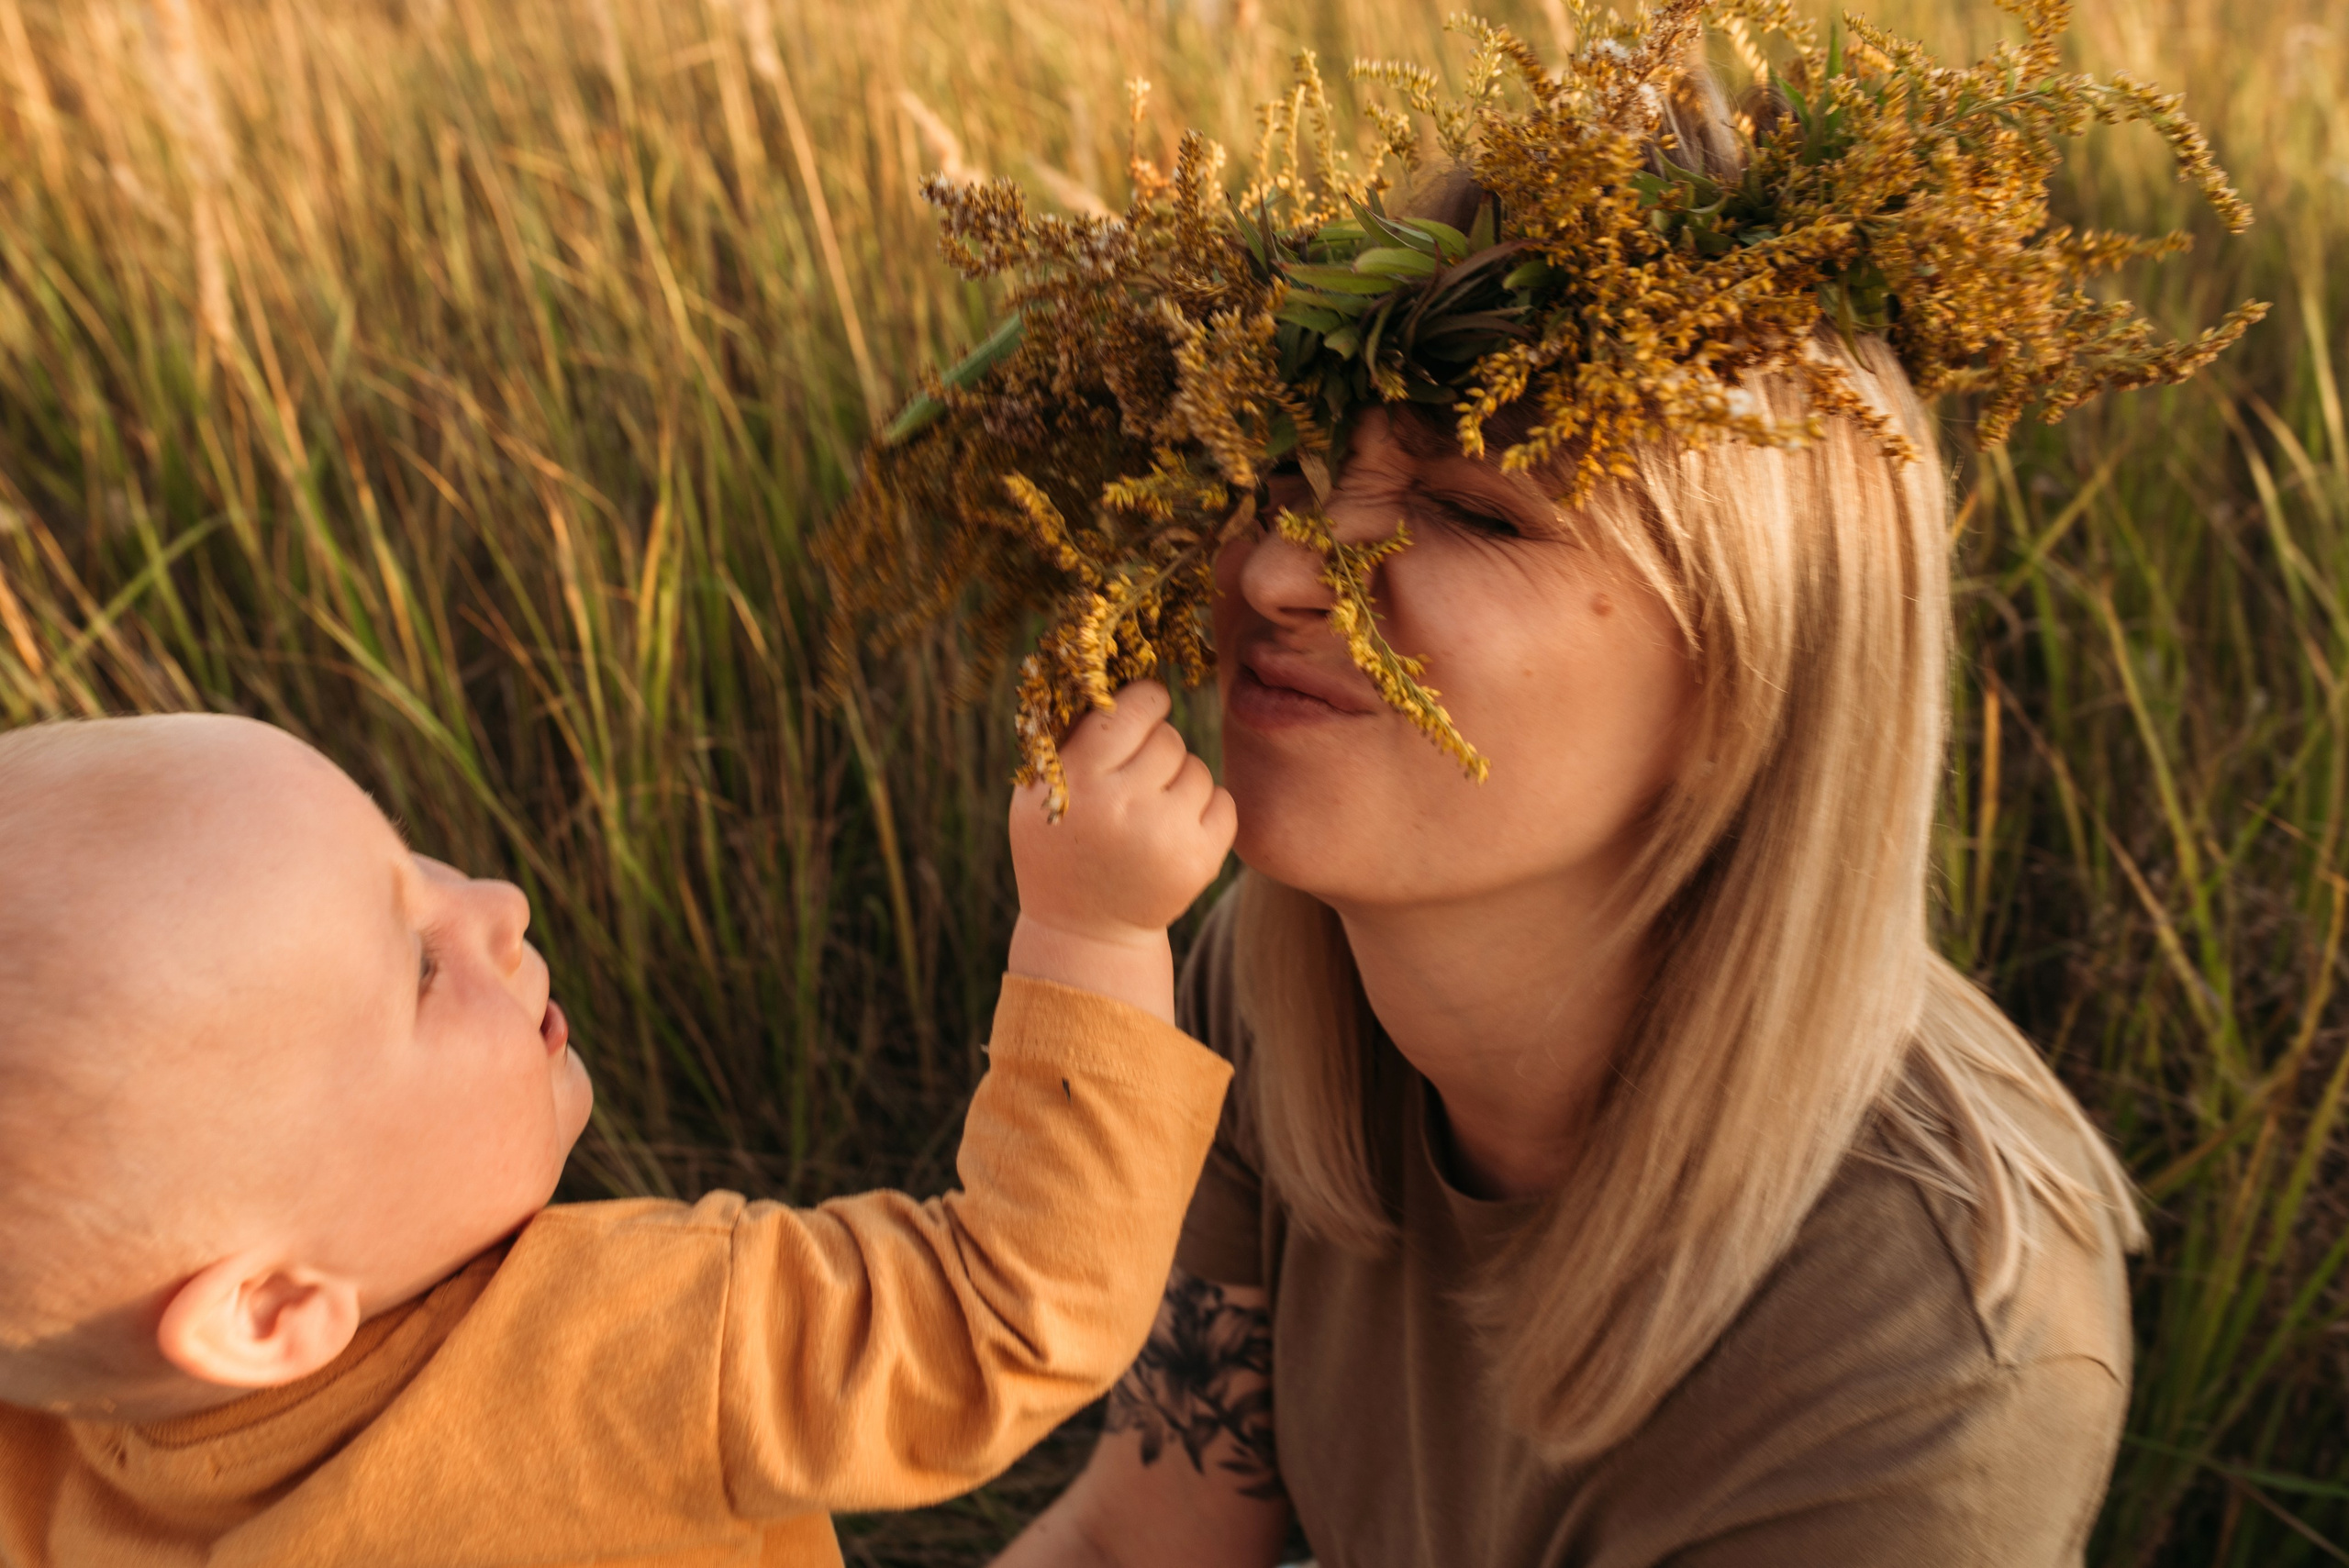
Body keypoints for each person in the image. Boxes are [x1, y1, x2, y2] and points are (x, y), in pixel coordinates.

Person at [815, 6, 2269, 1562]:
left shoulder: (1924, 1349)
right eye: (1292, 467)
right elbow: (1147, 1532)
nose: (1290, 562)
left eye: (1473, 509)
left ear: (1750, 684)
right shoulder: (1267, 983)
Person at [0, 684, 1234, 1567]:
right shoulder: (610, 1353)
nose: (495, 901)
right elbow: (1008, 1309)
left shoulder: (46, 1438)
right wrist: (1094, 934)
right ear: (268, 1308)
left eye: (405, 853)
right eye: (420, 968)